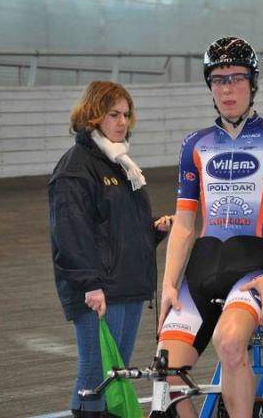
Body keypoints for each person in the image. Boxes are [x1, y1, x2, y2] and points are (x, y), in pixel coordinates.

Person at [157, 36, 263, 418]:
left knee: (229, 344)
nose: (228, 88)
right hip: (202, 268)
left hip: (251, 269)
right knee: (165, 366)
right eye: (218, 79)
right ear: (210, 86)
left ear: (252, 82)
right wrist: (169, 283)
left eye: (237, 78)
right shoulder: (194, 144)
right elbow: (184, 225)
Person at [48, 81, 172, 418]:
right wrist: (89, 283)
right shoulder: (75, 168)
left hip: (127, 287)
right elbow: (69, 234)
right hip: (99, 290)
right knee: (95, 375)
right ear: (92, 117)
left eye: (126, 115)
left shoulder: (119, 163)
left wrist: (153, 230)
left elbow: (118, 227)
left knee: (114, 377)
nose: (122, 122)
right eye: (113, 114)